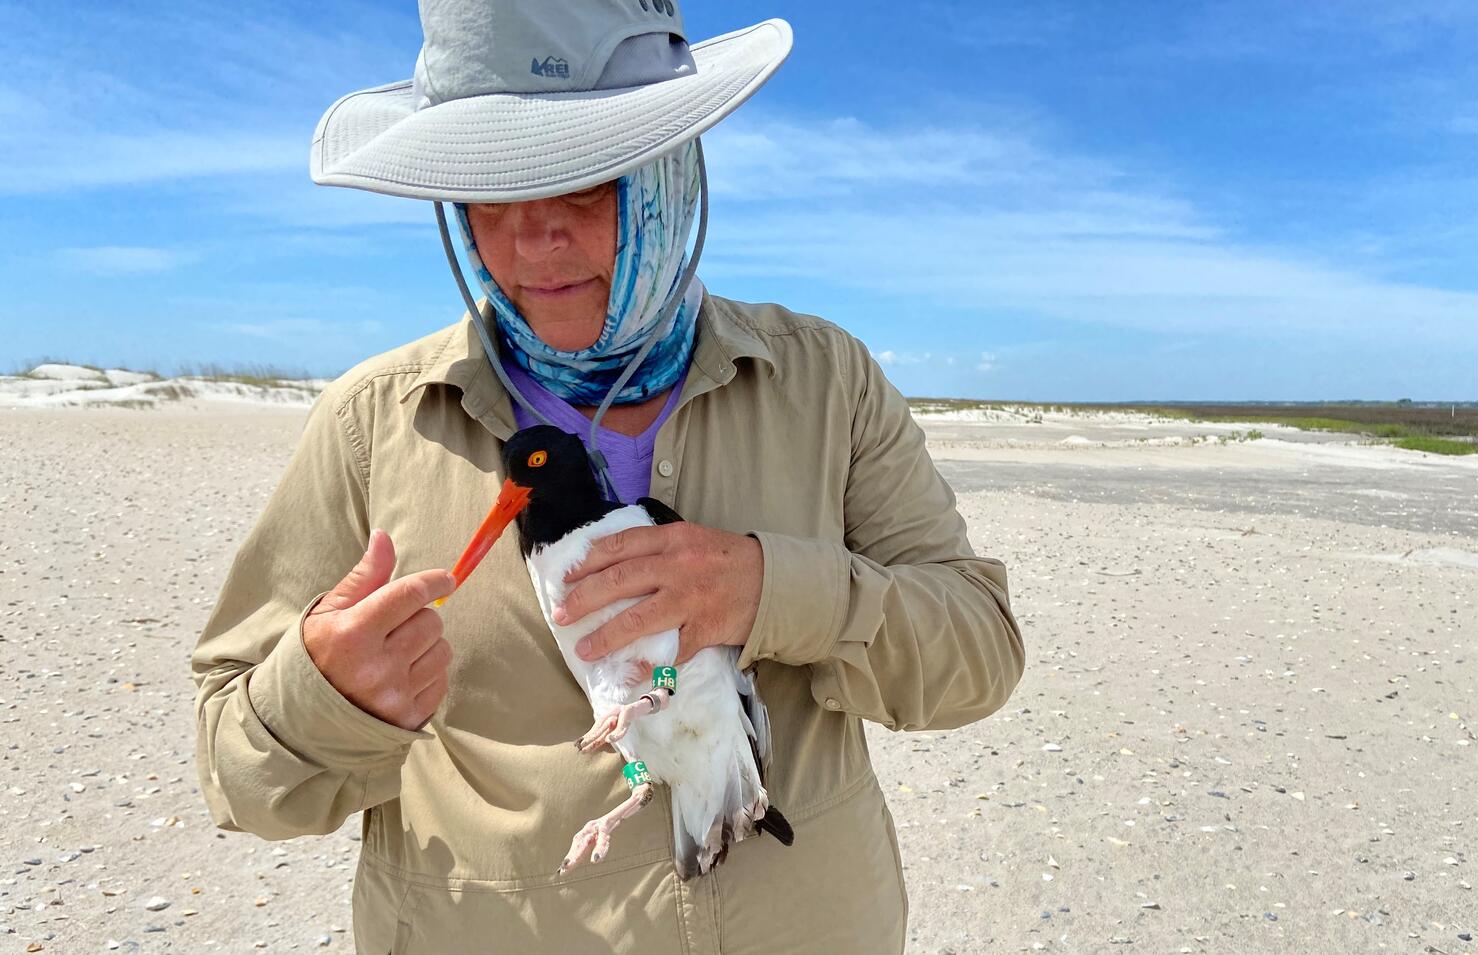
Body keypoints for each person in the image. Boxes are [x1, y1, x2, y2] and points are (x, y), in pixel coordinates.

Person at [191, 1, 1023, 951]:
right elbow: (235, 776)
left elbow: (979, 657)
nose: (531, 241)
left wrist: (772, 588)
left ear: (673, 166)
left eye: (587, 175)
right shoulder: (370, 425)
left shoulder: (825, 381)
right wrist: (322, 698)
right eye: (491, 188)